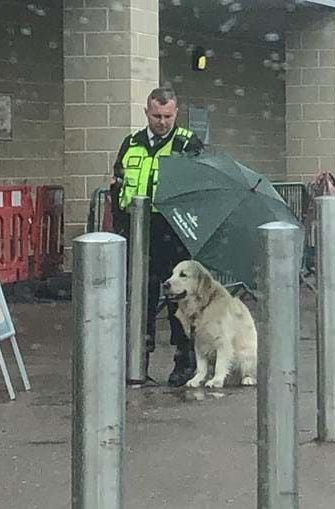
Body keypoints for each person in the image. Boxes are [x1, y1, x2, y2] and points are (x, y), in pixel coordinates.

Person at [111, 86, 204, 387]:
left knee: (180, 300)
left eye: (167, 116)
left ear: (176, 113)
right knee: (140, 299)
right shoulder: (132, 143)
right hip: (138, 232)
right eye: (156, 116)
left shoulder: (187, 144)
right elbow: (118, 185)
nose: (162, 122)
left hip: (174, 232)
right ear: (146, 113)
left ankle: (184, 361)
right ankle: (138, 361)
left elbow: (198, 188)